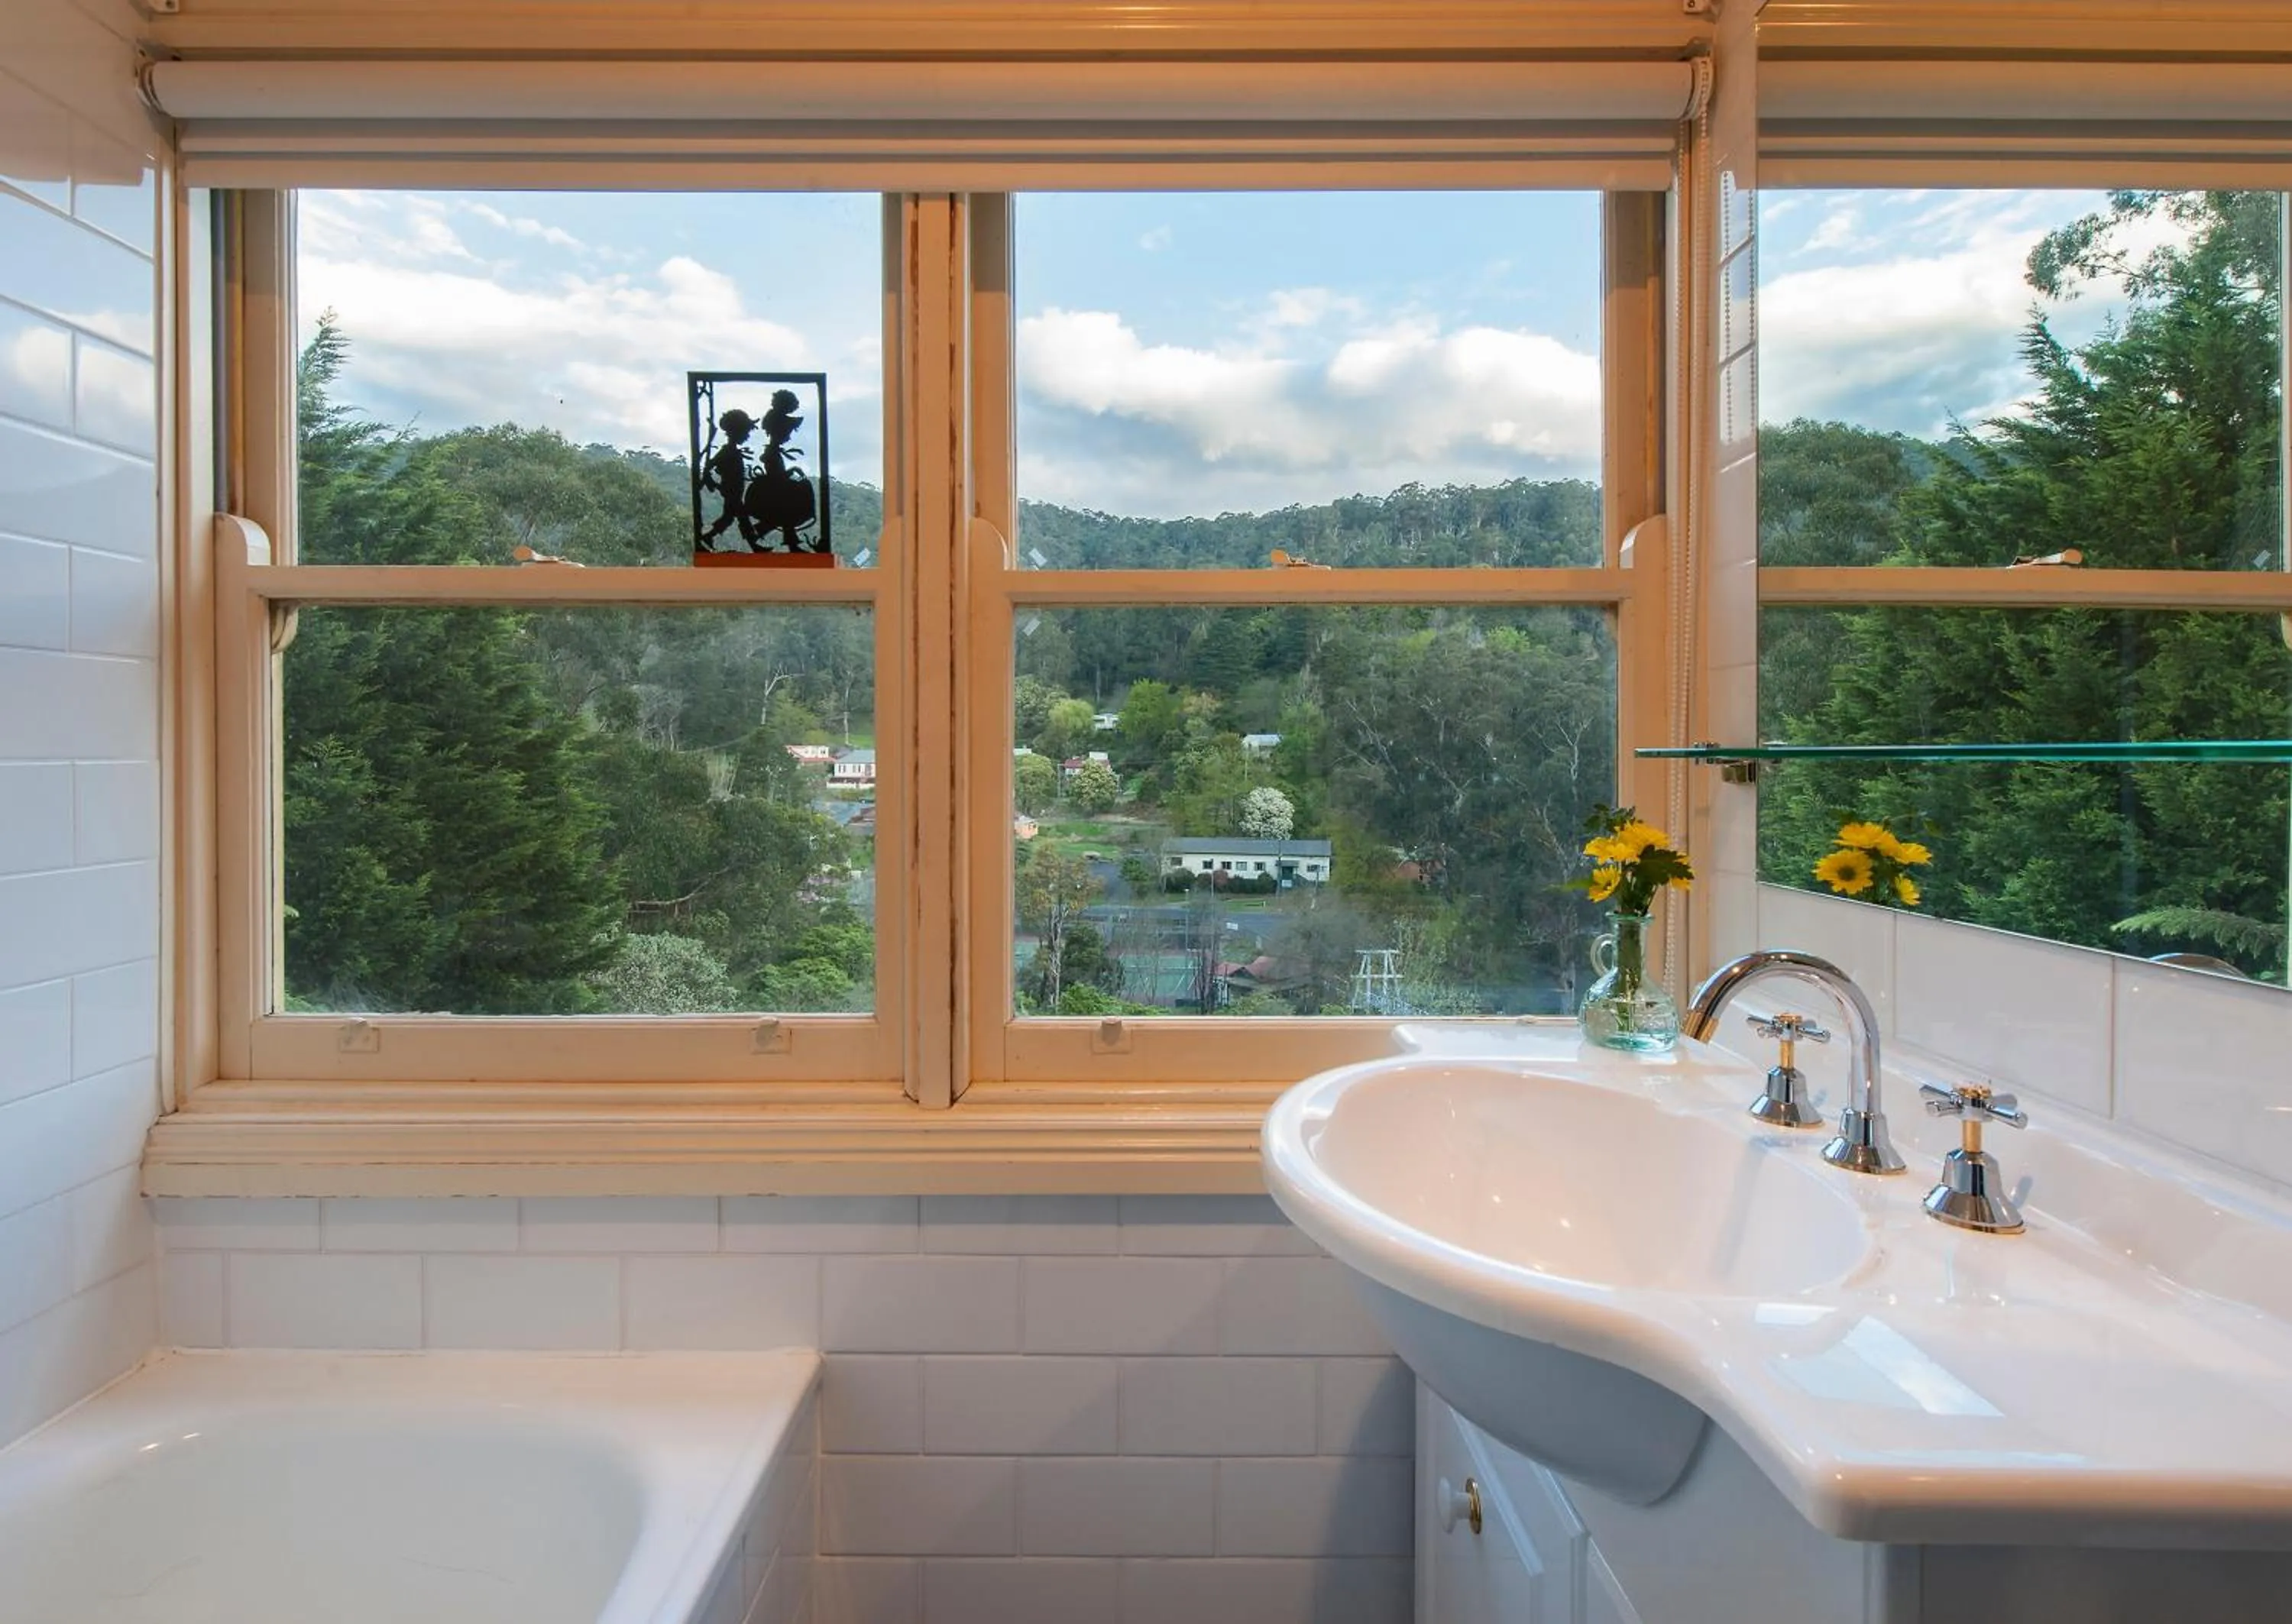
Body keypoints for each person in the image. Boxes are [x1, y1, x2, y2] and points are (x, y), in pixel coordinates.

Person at [698, 407, 759, 548]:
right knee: (741, 517)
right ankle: (754, 544)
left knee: (729, 517)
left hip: (734, 490)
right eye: (745, 433)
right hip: (732, 491)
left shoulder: (732, 451)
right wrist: (712, 482)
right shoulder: (727, 451)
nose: (747, 436)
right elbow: (709, 467)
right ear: (737, 432)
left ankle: (709, 536)